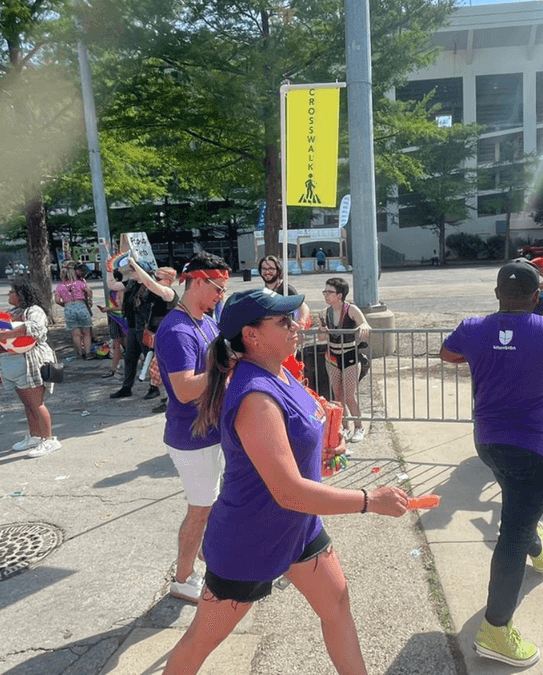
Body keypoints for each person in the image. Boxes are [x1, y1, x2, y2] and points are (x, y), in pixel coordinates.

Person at [164, 289, 408, 674]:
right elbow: (289, 491)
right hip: (250, 538)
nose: (296, 325)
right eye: (283, 321)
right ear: (251, 335)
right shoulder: (254, 394)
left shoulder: (278, 371)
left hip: (299, 528)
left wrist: (327, 446)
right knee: (201, 642)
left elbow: (298, 436)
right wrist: (369, 499)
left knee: (338, 606)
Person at [438, 261, 543, 667]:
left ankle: (535, 540)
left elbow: (447, 353)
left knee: (518, 507)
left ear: (496, 294)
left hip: (488, 442)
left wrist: (484, 357)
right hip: (534, 449)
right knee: (512, 534)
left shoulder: (473, 328)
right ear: (537, 294)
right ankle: (495, 630)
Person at [154, 251, 230, 603]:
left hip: (209, 432)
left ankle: (204, 555)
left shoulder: (204, 320)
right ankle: (183, 579)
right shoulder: (178, 328)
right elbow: (184, 390)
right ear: (197, 281)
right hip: (193, 437)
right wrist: (225, 369)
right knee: (199, 511)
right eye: (217, 288)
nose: (221, 296)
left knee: (209, 505)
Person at [0, 279, 61, 457]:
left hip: (32, 362)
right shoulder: (13, 312)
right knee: (28, 404)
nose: (9, 295)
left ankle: (49, 440)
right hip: (16, 364)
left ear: (21, 294)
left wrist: (7, 334)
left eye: (11, 292)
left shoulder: (34, 311)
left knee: (37, 404)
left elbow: (36, 329)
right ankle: (35, 436)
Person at [110, 260, 177, 401]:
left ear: (168, 280)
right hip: (146, 330)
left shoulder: (167, 292)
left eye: (158, 278)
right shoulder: (146, 289)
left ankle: (160, 394)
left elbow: (150, 284)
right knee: (133, 359)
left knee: (157, 367)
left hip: (159, 334)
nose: (155, 280)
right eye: (155, 277)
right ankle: (129, 387)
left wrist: (136, 264)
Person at [320, 277, 371, 443]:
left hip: (349, 356)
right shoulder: (325, 312)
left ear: (340, 295)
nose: (326, 295)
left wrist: (362, 326)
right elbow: (321, 337)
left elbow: (365, 324)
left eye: (330, 292)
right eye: (325, 291)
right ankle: (344, 427)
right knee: (338, 395)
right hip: (333, 357)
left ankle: (359, 427)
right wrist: (322, 330)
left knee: (350, 396)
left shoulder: (351, 309)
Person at [54, 263, 93, 359]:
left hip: (68, 308)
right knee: (86, 333)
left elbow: (57, 300)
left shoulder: (60, 286)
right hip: (81, 306)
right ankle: (88, 353)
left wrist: (65, 305)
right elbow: (89, 293)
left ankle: (80, 352)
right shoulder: (80, 283)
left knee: (76, 334)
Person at [98, 269, 126, 378]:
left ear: (117, 280)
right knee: (116, 345)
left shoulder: (120, 291)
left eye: (110, 279)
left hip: (122, 320)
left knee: (125, 345)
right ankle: (113, 369)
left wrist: (108, 309)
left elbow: (122, 307)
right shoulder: (113, 292)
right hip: (114, 319)